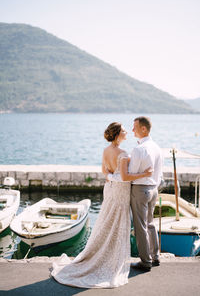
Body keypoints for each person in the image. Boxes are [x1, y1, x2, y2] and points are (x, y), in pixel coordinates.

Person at [51, 122, 152, 288]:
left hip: (110, 189)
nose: (127, 132)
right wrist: (145, 174)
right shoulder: (124, 153)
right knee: (117, 222)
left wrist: (111, 177)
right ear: (118, 134)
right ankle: (111, 257)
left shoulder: (106, 150)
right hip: (120, 190)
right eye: (124, 130)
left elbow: (105, 172)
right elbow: (125, 178)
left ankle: (103, 253)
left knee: (107, 220)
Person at [108, 116, 163, 272]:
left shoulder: (139, 149)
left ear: (143, 129)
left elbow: (128, 175)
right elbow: (158, 173)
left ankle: (146, 262)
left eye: (135, 127)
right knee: (150, 224)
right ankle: (155, 257)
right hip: (153, 189)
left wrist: (110, 176)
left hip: (140, 190)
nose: (132, 130)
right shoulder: (157, 147)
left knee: (140, 227)